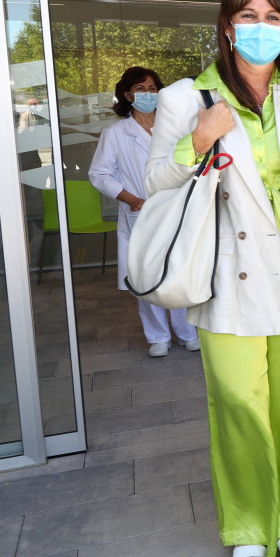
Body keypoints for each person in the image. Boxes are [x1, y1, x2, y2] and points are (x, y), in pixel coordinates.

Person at [145, 0, 280, 557]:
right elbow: (156, 179)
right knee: (238, 397)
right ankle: (247, 521)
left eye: (274, 17)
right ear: (227, 24)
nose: (262, 27)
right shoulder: (187, 98)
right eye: (249, 15)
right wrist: (194, 144)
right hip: (228, 266)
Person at [89, 66, 200, 358]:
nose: (148, 95)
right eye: (141, 89)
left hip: (178, 209)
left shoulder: (174, 126)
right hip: (140, 212)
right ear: (127, 95)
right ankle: (158, 337)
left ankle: (188, 332)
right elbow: (100, 174)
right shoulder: (116, 133)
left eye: (153, 89)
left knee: (180, 271)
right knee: (146, 276)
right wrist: (131, 199)